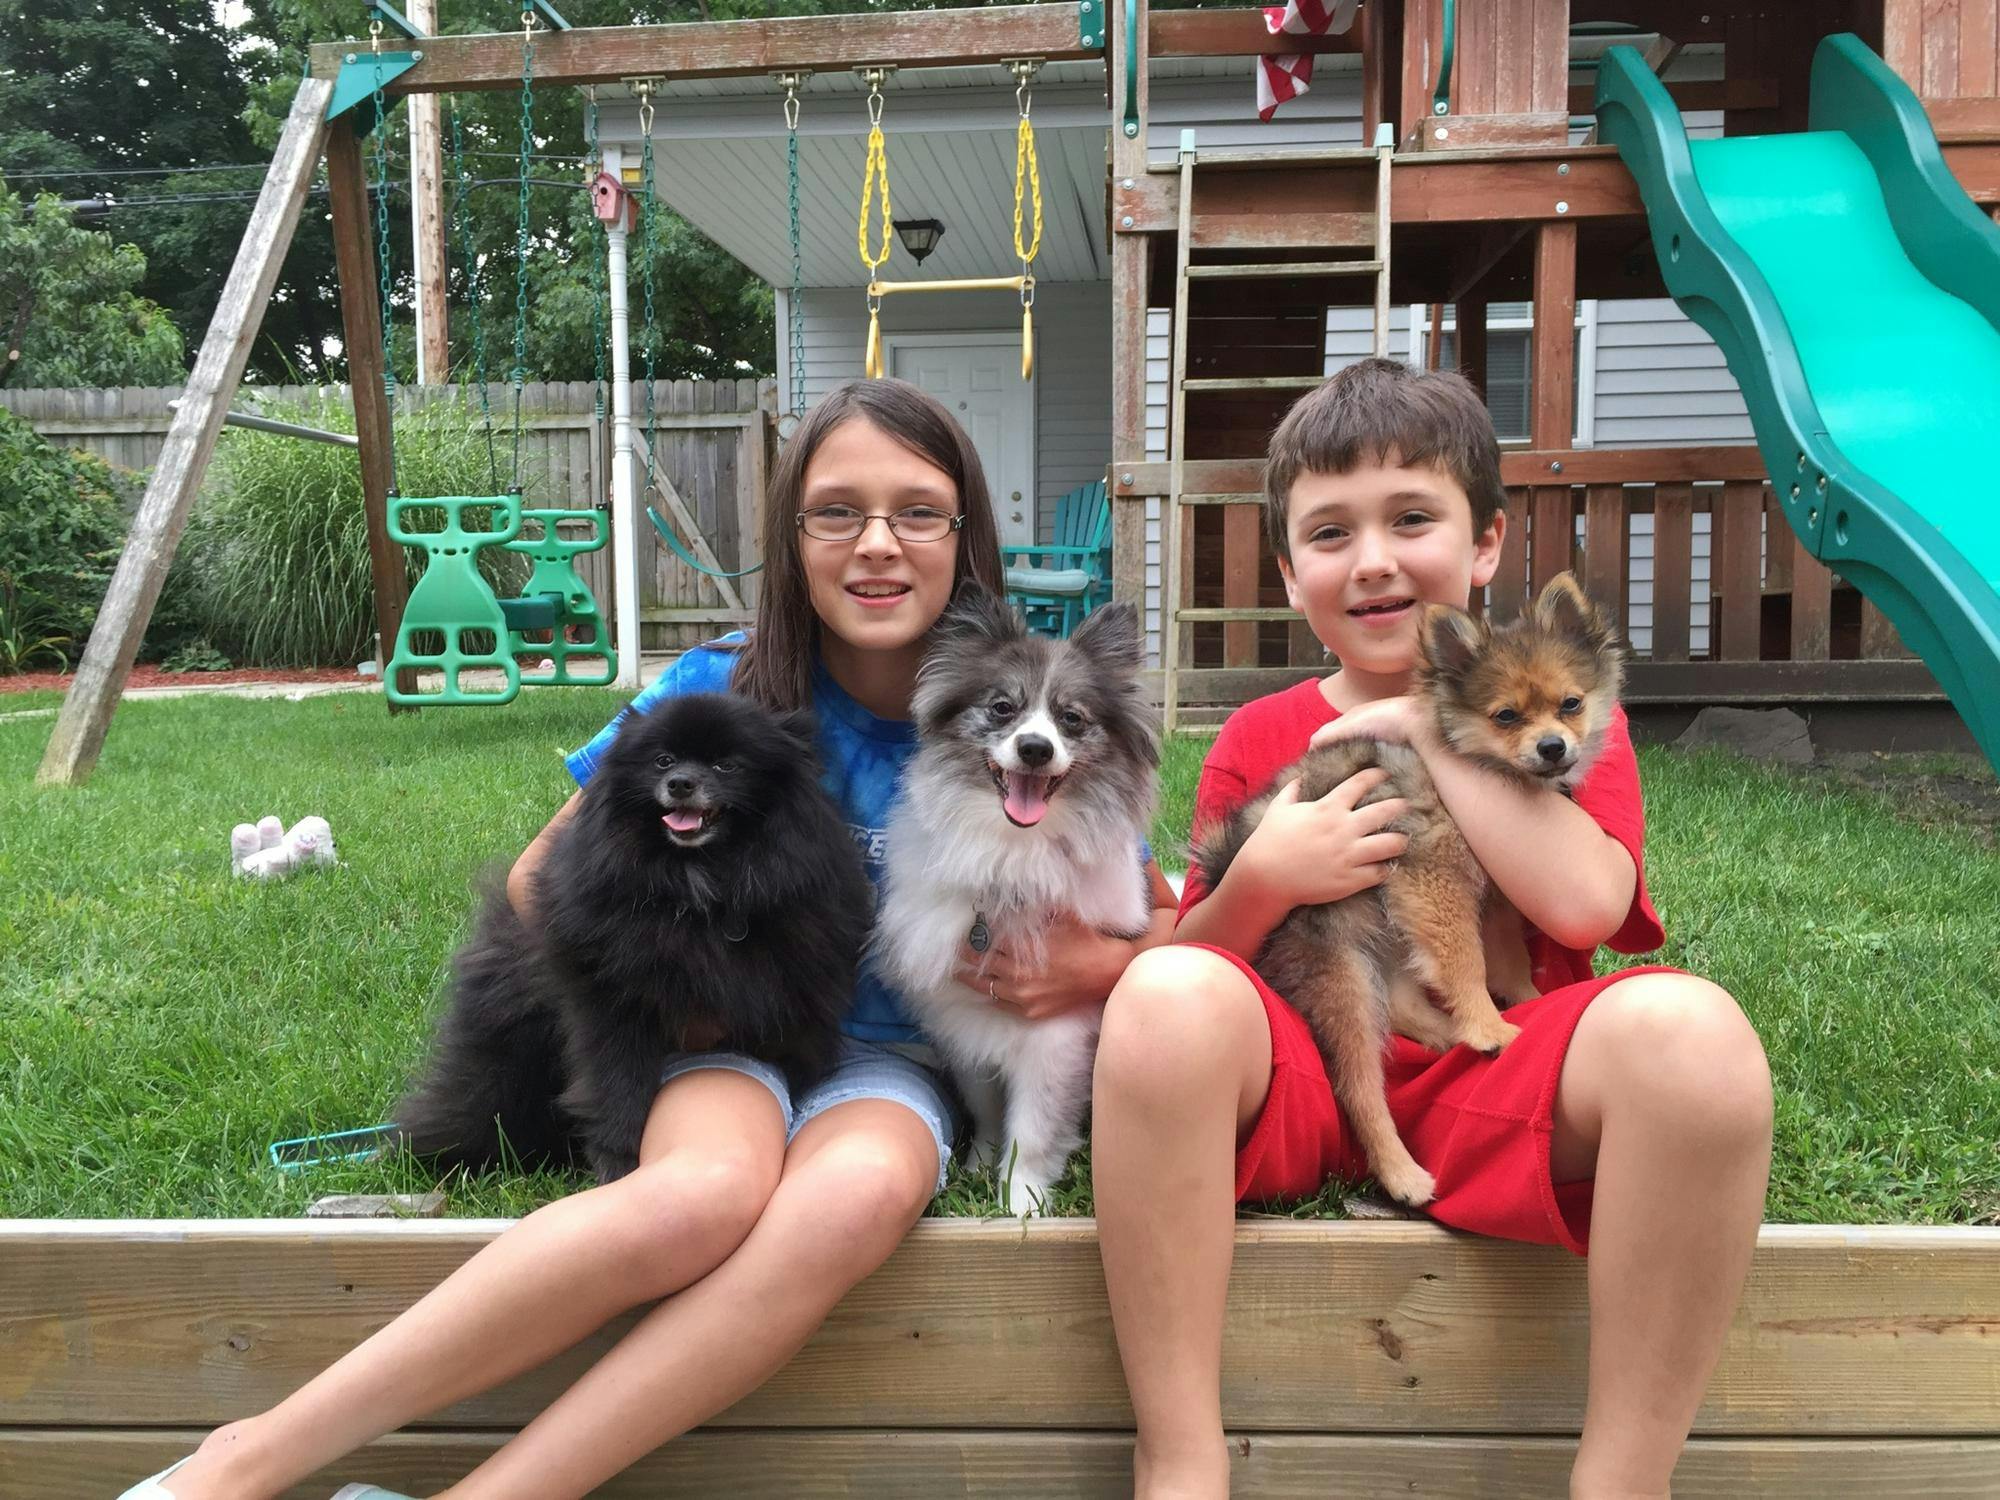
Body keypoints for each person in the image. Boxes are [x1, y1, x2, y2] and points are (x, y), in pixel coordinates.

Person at [129, 378, 1179, 1500]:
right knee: (695, 1195)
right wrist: (663, 993)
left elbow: (1156, 914)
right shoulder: (719, 685)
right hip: (734, 1043)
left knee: (853, 1198)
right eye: (836, 512)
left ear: (964, 534)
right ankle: (243, 1459)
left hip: (906, 1064)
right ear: (790, 536)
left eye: (917, 512)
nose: (877, 544)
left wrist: (1102, 963)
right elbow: (545, 882)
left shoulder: (1037, 728)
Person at [1090, 358, 1774, 1500]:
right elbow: (1191, 965)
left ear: (1486, 545)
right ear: (1286, 571)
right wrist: (1262, 877)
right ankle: (1178, 1456)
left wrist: (1434, 723)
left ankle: (1622, 1481)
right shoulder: (1261, 733)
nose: (1371, 560)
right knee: (1158, 1000)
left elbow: (1584, 909)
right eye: (1328, 533)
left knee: (1696, 1040)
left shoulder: (1550, 712)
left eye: (1410, 518)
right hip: (1304, 1081)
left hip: (1486, 1085)